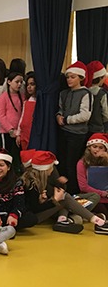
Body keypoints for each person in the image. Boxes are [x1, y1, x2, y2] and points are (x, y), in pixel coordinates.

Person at [22, 151, 105, 234]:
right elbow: (34, 208)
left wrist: (46, 198)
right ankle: (97, 221)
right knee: (64, 198)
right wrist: (54, 200)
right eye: (51, 167)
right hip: (34, 217)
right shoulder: (32, 184)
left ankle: (63, 219)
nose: (53, 170)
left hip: (43, 209)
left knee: (69, 198)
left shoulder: (39, 180)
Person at [56, 62, 94, 193]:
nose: (69, 80)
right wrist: (58, 116)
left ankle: (73, 191)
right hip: (63, 131)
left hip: (77, 133)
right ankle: (62, 190)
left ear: (81, 78)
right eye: (68, 77)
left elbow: (85, 115)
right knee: (61, 161)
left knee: (71, 163)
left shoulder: (85, 93)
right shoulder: (64, 93)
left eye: (73, 77)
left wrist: (67, 120)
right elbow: (61, 109)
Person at [0, 149, 37, 231]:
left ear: (8, 167)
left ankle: (5, 226)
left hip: (8, 215)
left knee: (31, 218)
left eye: (1, 165)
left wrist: (14, 215)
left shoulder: (16, 182)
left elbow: (20, 204)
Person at [0, 71, 25, 168]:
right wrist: (11, 130)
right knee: (7, 155)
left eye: (21, 82)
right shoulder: (3, 97)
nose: (19, 84)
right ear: (9, 82)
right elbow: (0, 116)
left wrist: (19, 131)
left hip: (19, 132)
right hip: (6, 132)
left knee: (18, 156)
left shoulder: (22, 97)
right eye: (17, 82)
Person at [76, 133, 108, 219]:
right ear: (89, 147)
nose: (97, 150)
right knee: (105, 215)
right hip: (92, 197)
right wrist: (102, 193)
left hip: (106, 196)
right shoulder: (82, 163)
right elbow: (83, 186)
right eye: (95, 147)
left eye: (101, 147)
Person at [16, 72, 37, 151]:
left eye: (32, 84)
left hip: (33, 134)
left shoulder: (40, 102)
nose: (29, 87)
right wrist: (18, 134)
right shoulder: (26, 101)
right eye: (27, 85)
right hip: (24, 134)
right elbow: (22, 117)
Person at [86, 61, 108, 133]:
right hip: (98, 128)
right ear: (100, 78)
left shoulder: (85, 91)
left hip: (85, 128)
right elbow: (106, 114)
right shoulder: (102, 93)